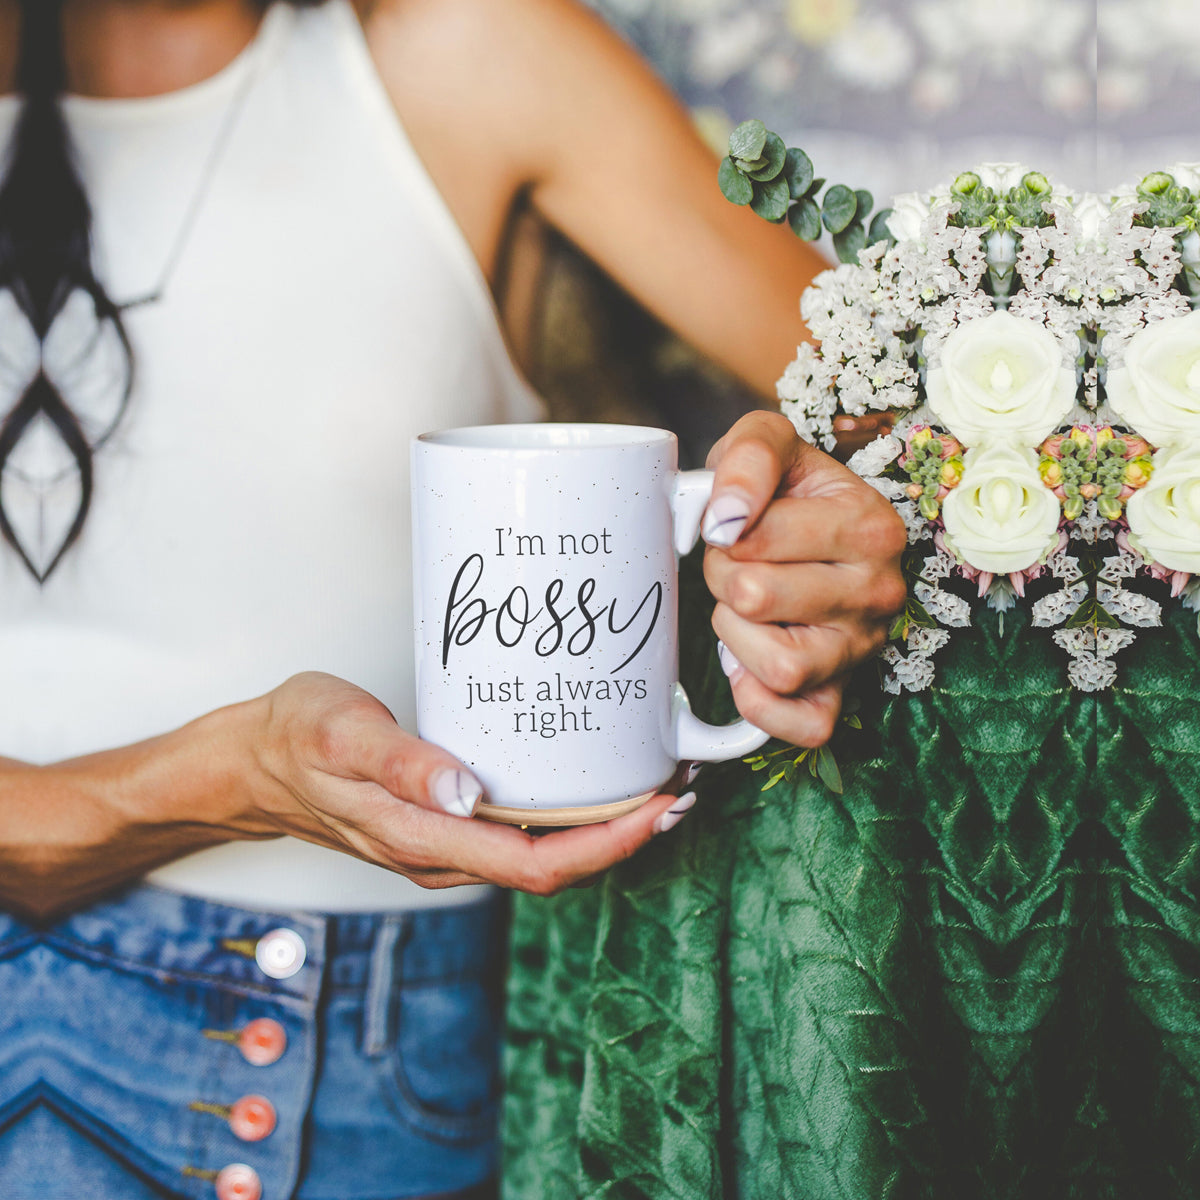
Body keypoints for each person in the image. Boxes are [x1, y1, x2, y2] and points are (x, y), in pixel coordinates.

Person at [0, 1, 906, 1197]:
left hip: (313, 1058)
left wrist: (832, 526)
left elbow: (912, 424)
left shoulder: (469, 53)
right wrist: (227, 775)